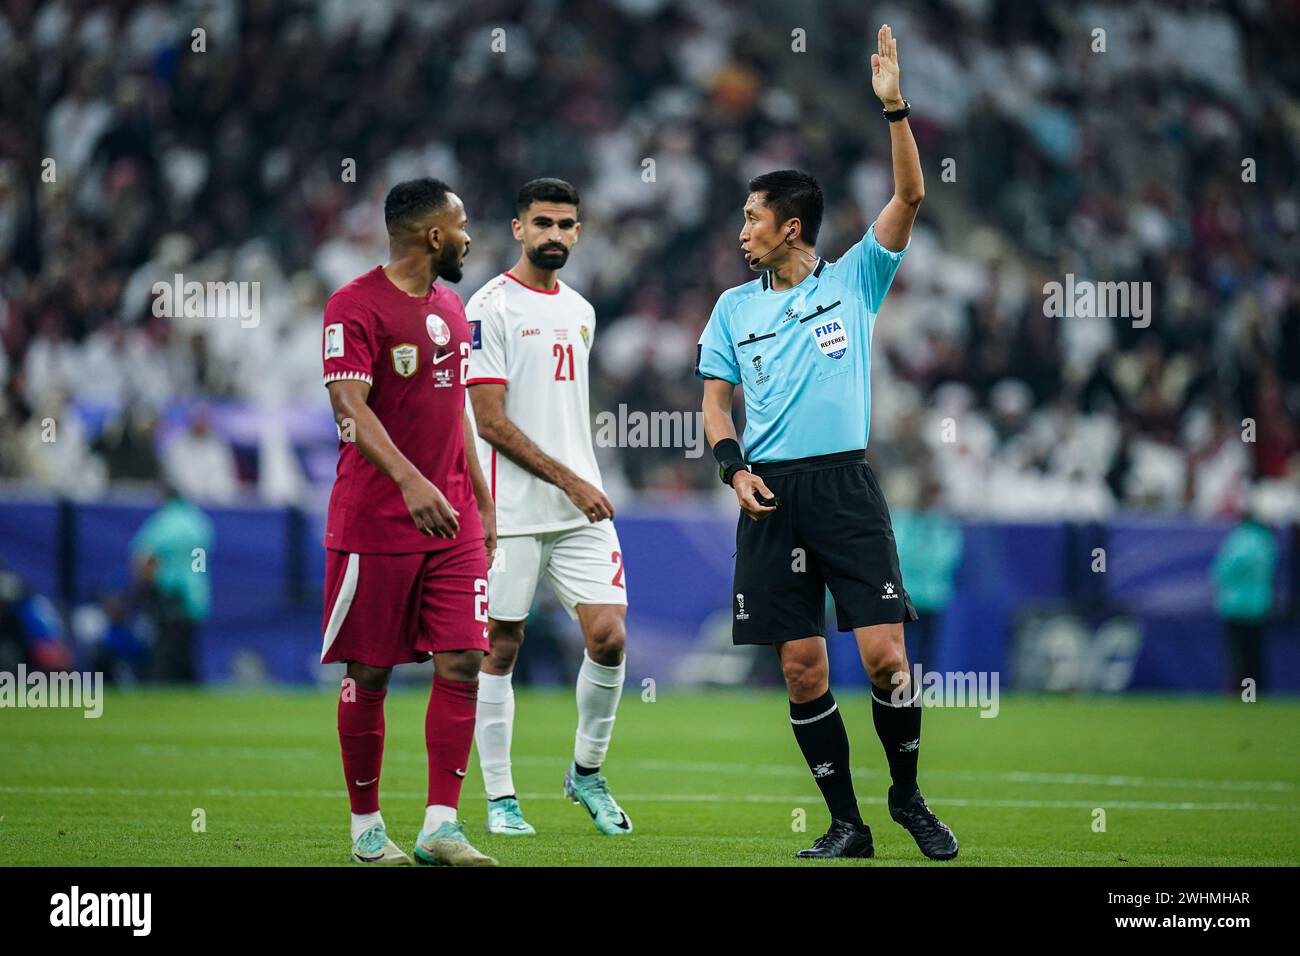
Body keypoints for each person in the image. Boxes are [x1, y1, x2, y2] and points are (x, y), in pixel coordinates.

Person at [697, 25, 957, 860]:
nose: (743, 233)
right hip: (769, 493)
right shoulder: (733, 310)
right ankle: (848, 825)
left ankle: (909, 798)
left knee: (885, 659)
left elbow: (910, 198)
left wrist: (896, 110)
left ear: (791, 226)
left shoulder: (854, 280)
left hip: (845, 486)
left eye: (752, 218)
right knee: (802, 671)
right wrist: (731, 471)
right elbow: (714, 403)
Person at [320, 177, 497, 867]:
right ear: (433, 235)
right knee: (371, 674)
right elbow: (349, 408)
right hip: (377, 520)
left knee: (464, 660)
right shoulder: (353, 305)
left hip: (452, 518)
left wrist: (478, 493)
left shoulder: (451, 305)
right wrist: (410, 480)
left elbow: (452, 408)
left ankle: (440, 827)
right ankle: (367, 829)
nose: (469, 235)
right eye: (462, 224)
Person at [466, 178, 631, 837]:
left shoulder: (582, 311)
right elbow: (490, 423)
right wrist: (572, 479)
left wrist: (578, 481)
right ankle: (501, 797)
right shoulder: (488, 309)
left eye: (566, 224)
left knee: (610, 636)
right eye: (543, 223)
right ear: (517, 228)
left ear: (579, 232)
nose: (555, 235)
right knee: (500, 646)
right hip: (509, 512)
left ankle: (586, 773)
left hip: (578, 508)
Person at [130, 484, 213, 683]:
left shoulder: (163, 522)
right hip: (194, 592)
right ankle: (188, 683)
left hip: (168, 590)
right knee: (185, 644)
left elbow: (145, 556)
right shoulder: (198, 522)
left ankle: (159, 681)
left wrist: (142, 586)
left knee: (165, 644)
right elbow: (200, 559)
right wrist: (194, 582)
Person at [892, 478, 964, 670]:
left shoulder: (943, 524)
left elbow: (950, 555)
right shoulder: (905, 521)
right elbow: (899, 553)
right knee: (901, 646)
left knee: (927, 647)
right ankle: (897, 685)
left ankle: (921, 687)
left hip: (932, 596)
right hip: (909, 594)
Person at [1211, 504, 1277, 693]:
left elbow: (1222, 570)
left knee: (1238, 655)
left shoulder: (1238, 539)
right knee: (1254, 653)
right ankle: (1255, 693)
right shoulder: (1267, 541)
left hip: (1235, 605)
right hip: (1258, 604)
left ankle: (1241, 693)